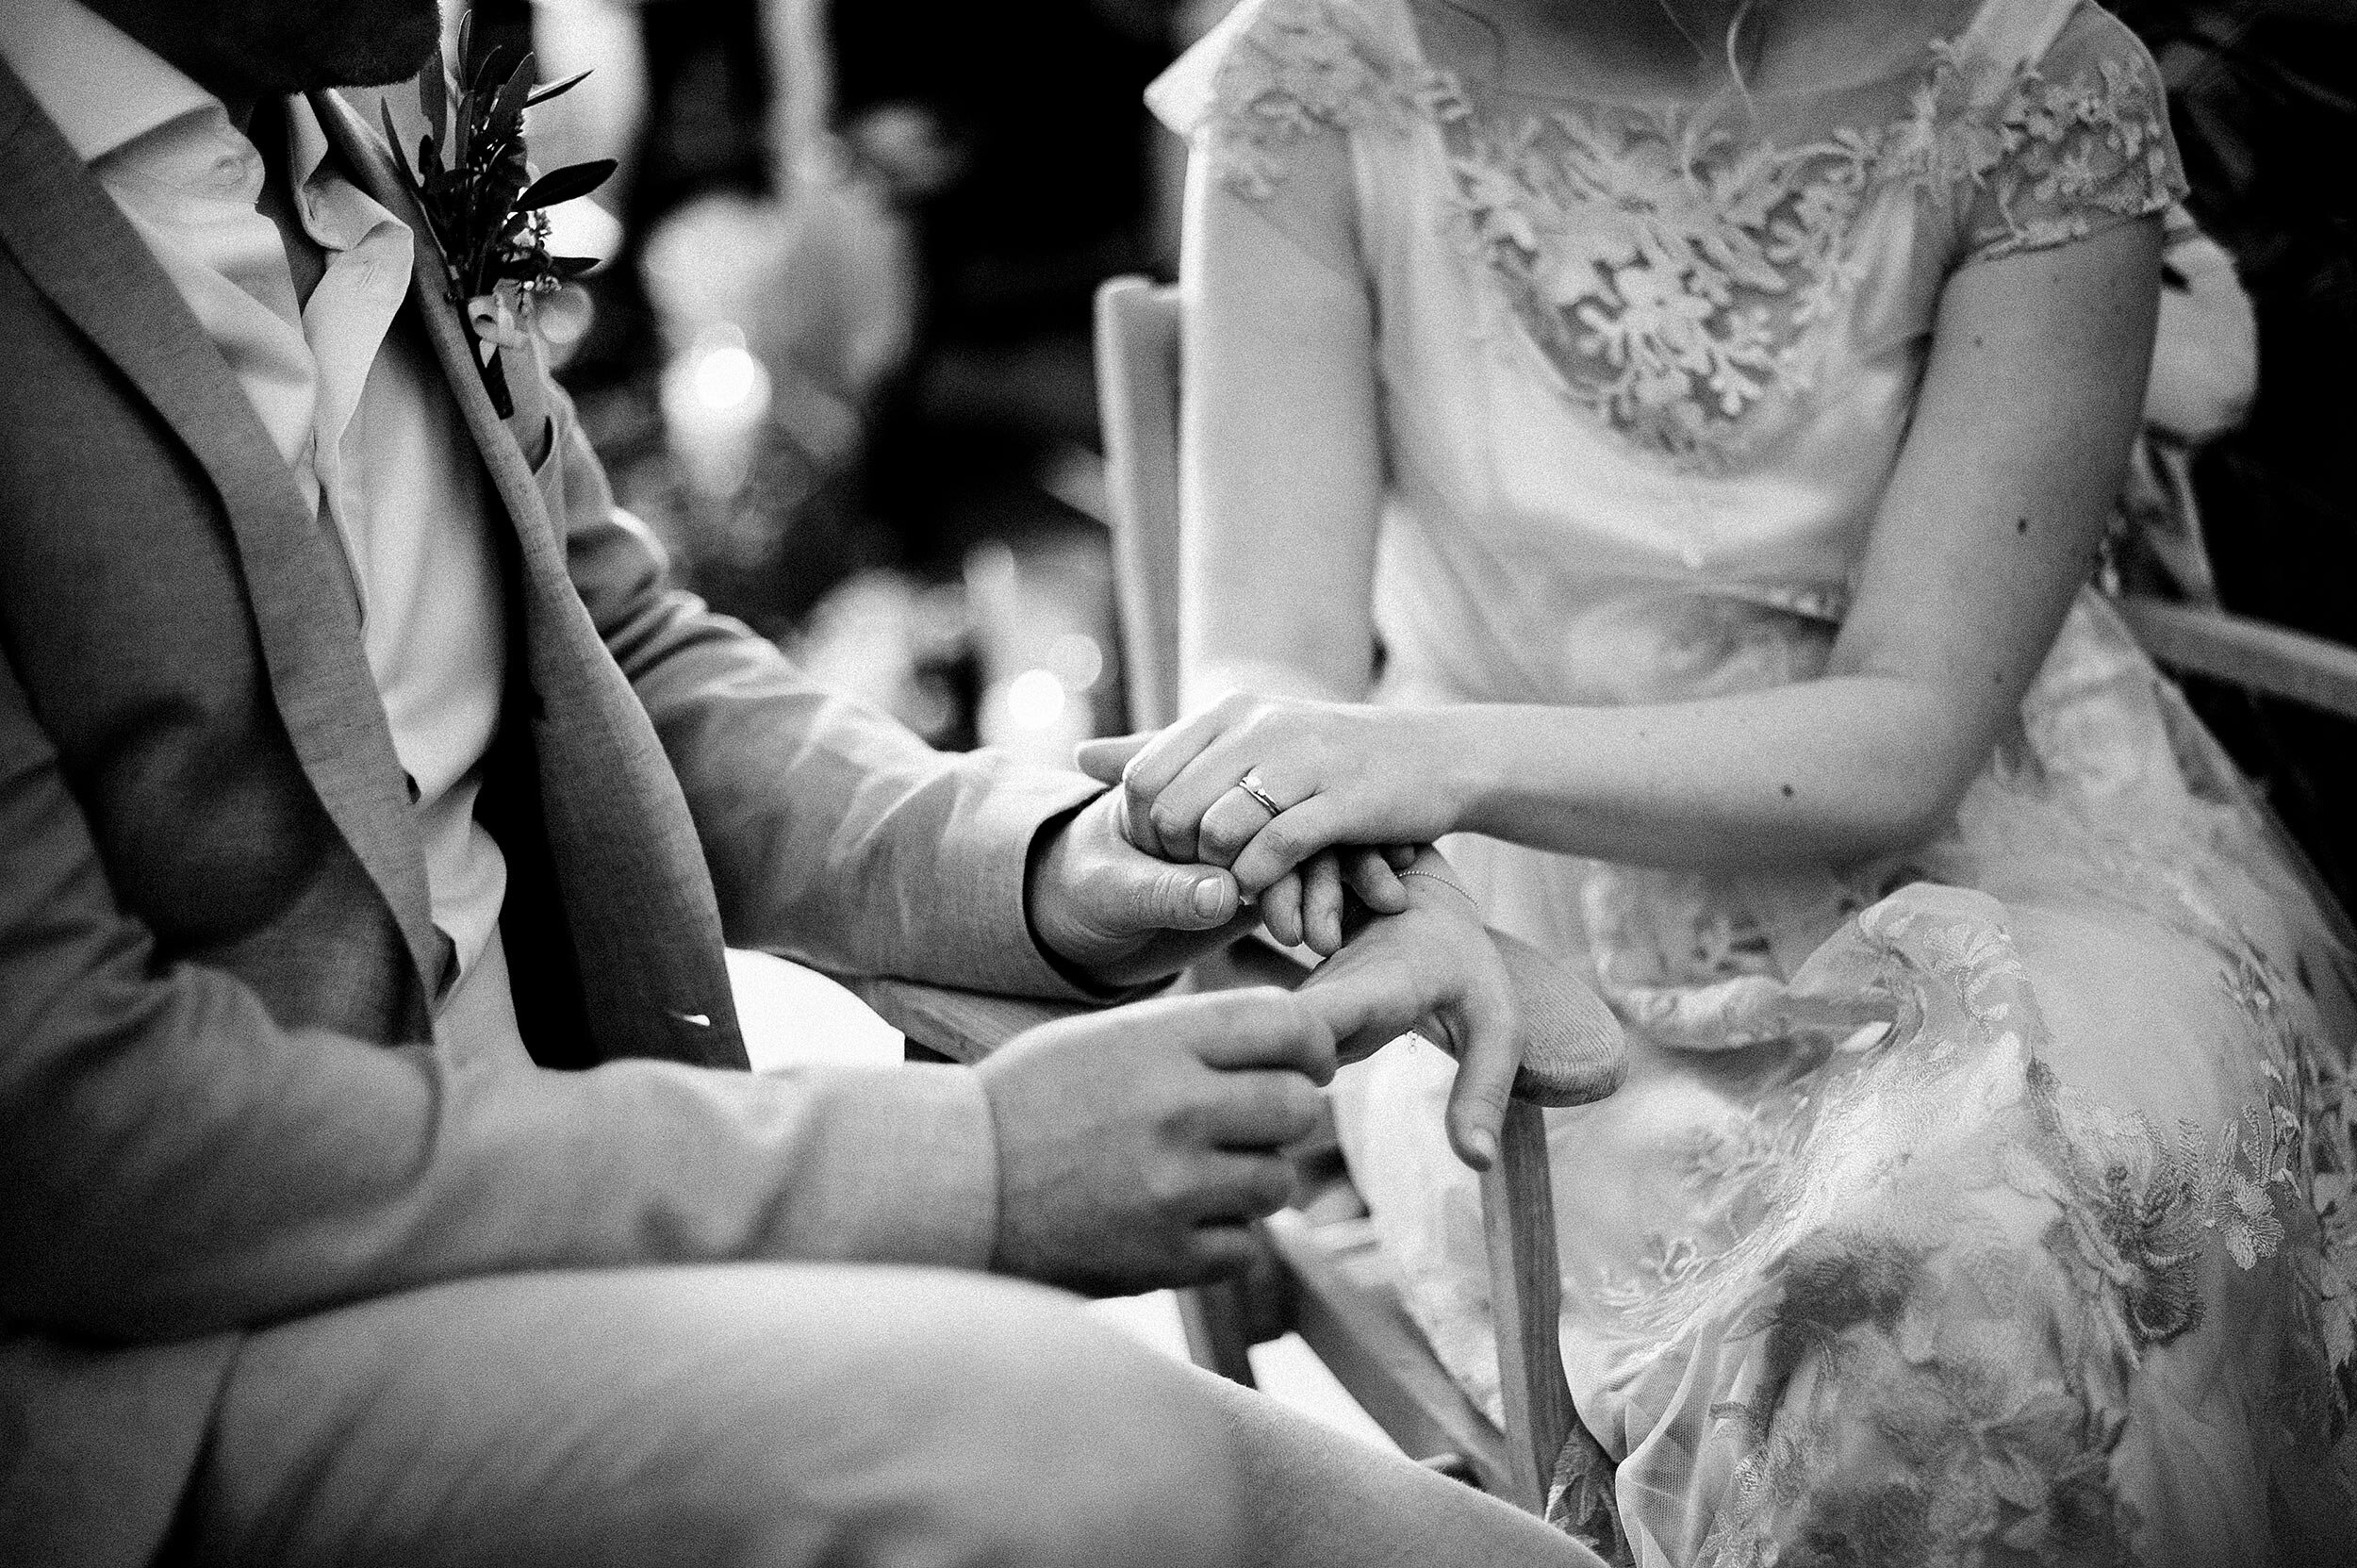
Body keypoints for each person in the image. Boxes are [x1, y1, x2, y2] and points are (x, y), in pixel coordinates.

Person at [0, 2, 1612, 1564]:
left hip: (587, 1211)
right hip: (166, 1369)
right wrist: (959, 1170)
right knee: (1074, 1444)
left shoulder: (354, 100)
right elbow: (75, 1121)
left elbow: (609, 646)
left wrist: (1045, 862)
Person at [1096, 0, 2357, 1560]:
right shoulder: (1322, 71)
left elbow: (1908, 732)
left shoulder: (2040, 84)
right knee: (1852, 1339)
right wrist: (1283, 775)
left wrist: (1419, 760)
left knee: (2002, 1250)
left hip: (2002, 859)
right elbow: (1262, 656)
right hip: (1514, 922)